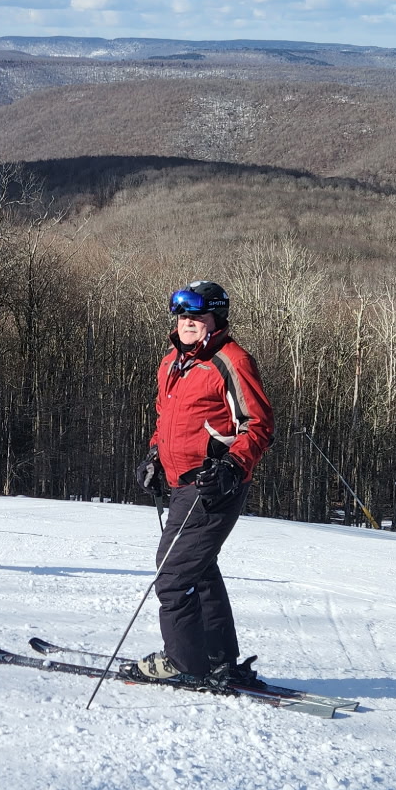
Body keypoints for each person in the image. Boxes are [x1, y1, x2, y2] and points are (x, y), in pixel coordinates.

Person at [126, 280, 275, 689]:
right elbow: (167, 419)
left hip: (214, 487)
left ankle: (184, 661)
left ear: (216, 320)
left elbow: (258, 425)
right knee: (199, 570)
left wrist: (231, 466)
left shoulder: (232, 360)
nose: (187, 323)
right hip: (181, 485)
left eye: (197, 316)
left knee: (173, 577)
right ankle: (216, 657)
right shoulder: (172, 362)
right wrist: (156, 456)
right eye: (182, 316)